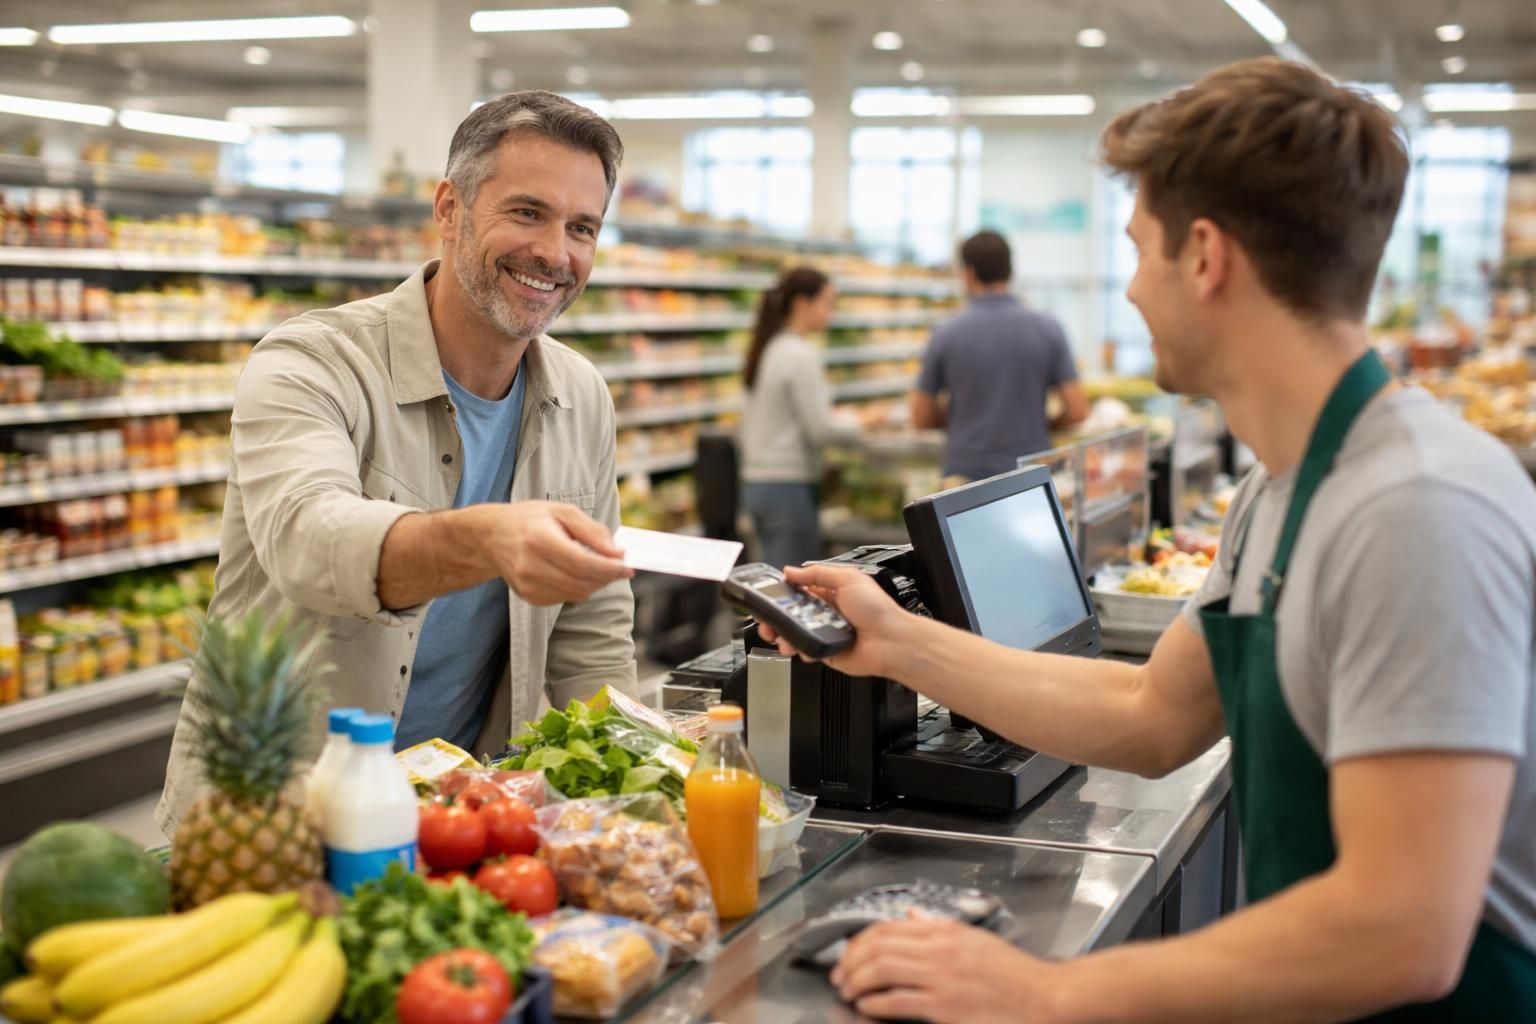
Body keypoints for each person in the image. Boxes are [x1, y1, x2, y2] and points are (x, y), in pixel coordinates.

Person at [764, 58, 1536, 1022]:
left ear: (1205, 256)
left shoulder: (1414, 509)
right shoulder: (1283, 487)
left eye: (1138, 250)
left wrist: (1045, 991)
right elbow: (1149, 712)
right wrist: (897, 640)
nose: (1129, 290)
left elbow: (1400, 928)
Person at [158, 91, 638, 833]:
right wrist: (486, 539)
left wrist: (633, 795)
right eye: (526, 212)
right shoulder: (310, 363)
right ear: (449, 208)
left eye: (583, 227)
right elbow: (310, 539)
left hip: (458, 817)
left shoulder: (582, 395)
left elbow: (592, 627)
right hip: (278, 820)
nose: (555, 252)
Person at [911, 230, 1089, 483]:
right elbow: (1078, 410)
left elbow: (920, 416)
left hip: (965, 474)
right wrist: (1040, 423)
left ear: (968, 273)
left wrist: (962, 417)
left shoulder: (945, 332)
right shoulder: (1048, 328)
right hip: (1031, 473)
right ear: (1010, 271)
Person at [739, 266, 870, 569]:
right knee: (793, 592)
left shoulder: (768, 348)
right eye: (827, 302)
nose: (831, 312)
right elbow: (821, 430)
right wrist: (862, 422)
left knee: (772, 587)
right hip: (788, 487)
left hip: (757, 485)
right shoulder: (800, 354)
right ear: (801, 303)